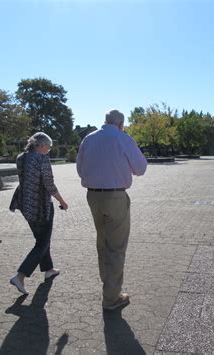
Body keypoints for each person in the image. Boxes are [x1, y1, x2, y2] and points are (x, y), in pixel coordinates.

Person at [76, 109, 147, 311]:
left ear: (105, 121)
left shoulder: (88, 139)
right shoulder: (122, 138)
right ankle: (111, 297)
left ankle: (108, 284)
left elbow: (80, 169)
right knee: (116, 247)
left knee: (103, 243)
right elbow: (141, 168)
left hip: (93, 196)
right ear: (121, 124)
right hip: (115, 196)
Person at [9, 132, 68, 295]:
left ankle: (48, 269)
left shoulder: (21, 157)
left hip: (25, 204)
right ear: (41, 145)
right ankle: (20, 276)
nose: (49, 150)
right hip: (41, 206)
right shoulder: (41, 158)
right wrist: (62, 201)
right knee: (42, 242)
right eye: (48, 147)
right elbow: (49, 183)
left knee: (41, 239)